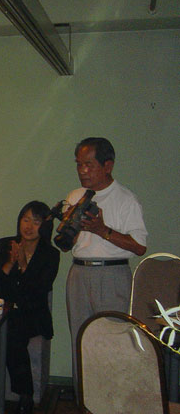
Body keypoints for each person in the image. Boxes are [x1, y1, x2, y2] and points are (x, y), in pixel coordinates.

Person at [64, 137, 147, 390]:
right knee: (80, 339)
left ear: (108, 165)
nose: (82, 171)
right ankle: (84, 404)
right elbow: (66, 244)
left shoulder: (126, 199)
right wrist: (69, 227)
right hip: (79, 272)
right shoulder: (76, 196)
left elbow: (140, 246)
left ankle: (113, 406)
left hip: (112, 274)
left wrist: (103, 230)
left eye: (88, 165)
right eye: (79, 164)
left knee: (113, 341)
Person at [0, 201, 60, 414]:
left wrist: (24, 266)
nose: (29, 226)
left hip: (33, 313)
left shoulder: (50, 254)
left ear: (44, 226)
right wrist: (10, 263)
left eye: (36, 222)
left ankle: (25, 396)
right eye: (25, 219)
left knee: (13, 334)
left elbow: (39, 290)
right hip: (5, 311)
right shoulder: (5, 245)